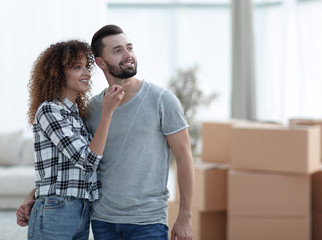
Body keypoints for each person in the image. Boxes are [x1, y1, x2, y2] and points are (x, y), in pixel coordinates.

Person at [18, 25, 195, 240]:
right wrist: (37, 193)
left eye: (130, 47)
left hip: (147, 221)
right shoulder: (91, 110)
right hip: (101, 221)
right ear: (100, 62)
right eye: (118, 50)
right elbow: (74, 161)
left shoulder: (162, 100)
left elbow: (185, 159)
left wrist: (185, 216)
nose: (128, 54)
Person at [16, 39, 128, 239]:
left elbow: (63, 169)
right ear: (58, 74)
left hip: (81, 210)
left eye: (87, 66)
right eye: (77, 67)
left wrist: (34, 192)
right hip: (57, 210)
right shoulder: (49, 110)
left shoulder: (76, 114)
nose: (86, 72)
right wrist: (107, 113)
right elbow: (87, 161)